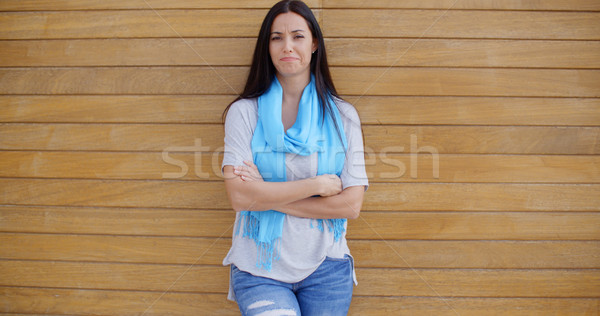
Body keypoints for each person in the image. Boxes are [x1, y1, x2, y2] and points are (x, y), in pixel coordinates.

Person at [221, 1, 368, 315]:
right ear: (268, 46)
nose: (287, 46)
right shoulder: (244, 113)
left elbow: (350, 205)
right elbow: (238, 196)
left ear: (314, 43)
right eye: (276, 37)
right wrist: (316, 184)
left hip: (327, 268)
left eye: (297, 36)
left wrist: (265, 196)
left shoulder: (344, 116)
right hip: (259, 267)